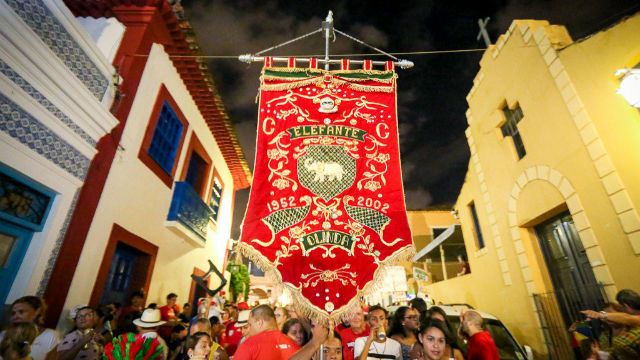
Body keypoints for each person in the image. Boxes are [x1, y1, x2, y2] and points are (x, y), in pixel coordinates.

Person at [232, 305, 299, 359]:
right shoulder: (292, 344)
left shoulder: (249, 344)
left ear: (259, 322)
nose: (249, 329)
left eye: (250, 325)